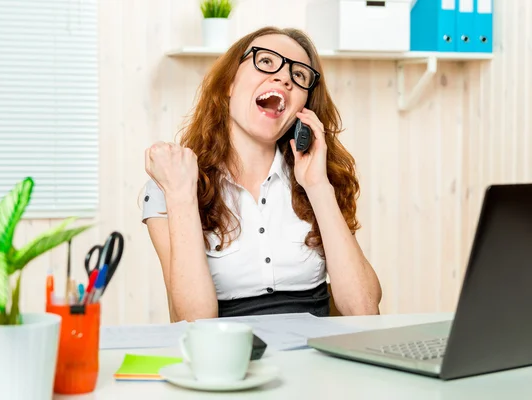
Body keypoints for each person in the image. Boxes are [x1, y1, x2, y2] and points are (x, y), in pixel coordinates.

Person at [142, 26, 382, 322]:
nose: (284, 77)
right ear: (229, 83)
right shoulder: (171, 182)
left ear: (303, 107)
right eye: (266, 61)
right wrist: (181, 196)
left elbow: (364, 310)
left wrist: (318, 186)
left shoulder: (322, 177)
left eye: (300, 75)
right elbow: (193, 322)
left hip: (316, 359)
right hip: (226, 359)